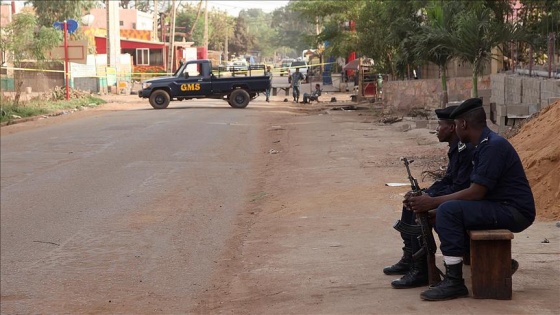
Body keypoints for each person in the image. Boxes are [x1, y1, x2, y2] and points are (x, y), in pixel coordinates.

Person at [408, 98, 535, 301]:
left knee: (448, 211)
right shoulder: (483, 144)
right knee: (444, 213)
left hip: (514, 211)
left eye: (456, 124)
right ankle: (490, 263)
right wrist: (435, 207)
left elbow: (476, 192)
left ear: (463, 124)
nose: (456, 129)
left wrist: (434, 202)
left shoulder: (492, 146)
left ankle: (454, 282)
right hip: (499, 205)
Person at [384, 105, 475, 289]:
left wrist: (430, 198)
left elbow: (460, 186)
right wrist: (426, 193)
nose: (436, 129)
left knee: (419, 206)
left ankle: (421, 269)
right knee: (412, 201)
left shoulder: (465, 149)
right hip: (456, 196)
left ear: (451, 128)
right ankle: (411, 257)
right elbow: (448, 179)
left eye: (439, 124)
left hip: (464, 201)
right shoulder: (455, 148)